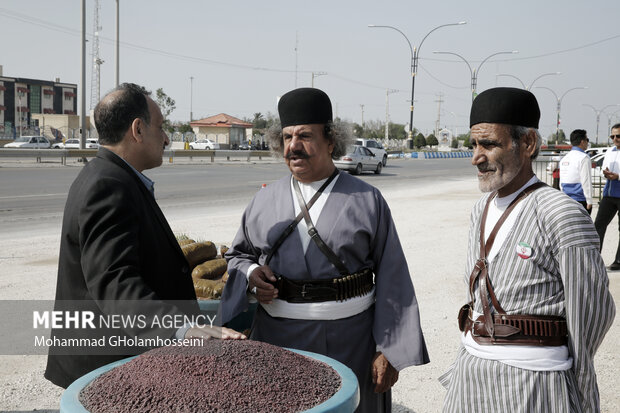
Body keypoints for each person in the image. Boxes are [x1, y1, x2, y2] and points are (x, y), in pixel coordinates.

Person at [219, 87, 429, 413]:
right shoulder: (263, 199)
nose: (294, 146)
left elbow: (393, 276)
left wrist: (388, 349)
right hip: (277, 340)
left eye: (305, 135)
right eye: (287, 137)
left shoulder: (367, 200)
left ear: (331, 141)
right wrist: (250, 274)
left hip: (351, 341)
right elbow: (238, 255)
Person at [45, 83, 244, 389]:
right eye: (162, 128)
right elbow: (114, 281)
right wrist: (181, 329)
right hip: (110, 367)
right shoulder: (109, 185)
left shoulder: (107, 175)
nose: (166, 138)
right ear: (138, 130)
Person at [440, 87, 615, 412]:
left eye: (489, 144)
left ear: (528, 144)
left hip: (535, 385)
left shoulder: (561, 213)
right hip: (470, 376)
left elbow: (592, 313)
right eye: (474, 144)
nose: (476, 157)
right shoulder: (480, 208)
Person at [594, 123, 620, 270]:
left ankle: (619, 261)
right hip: (609, 194)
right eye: (612, 136)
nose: (615, 139)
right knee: (598, 225)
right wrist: (605, 173)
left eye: (618, 136)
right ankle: (594, 257)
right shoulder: (610, 151)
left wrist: (618, 176)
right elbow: (602, 169)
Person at [559, 129, 593, 214]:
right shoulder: (584, 158)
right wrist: (589, 200)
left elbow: (561, 181)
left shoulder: (564, 158)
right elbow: (586, 181)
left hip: (566, 199)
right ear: (582, 142)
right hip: (580, 200)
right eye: (587, 140)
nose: (587, 143)